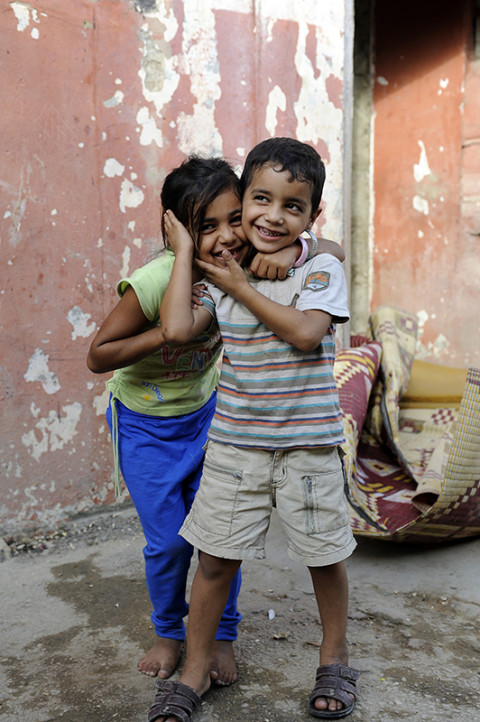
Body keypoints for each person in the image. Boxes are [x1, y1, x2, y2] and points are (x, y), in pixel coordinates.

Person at [86, 154, 344, 686]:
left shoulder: (250, 257)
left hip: (210, 414)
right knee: (169, 542)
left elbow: (330, 253)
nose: (229, 237)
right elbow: (107, 353)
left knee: (221, 541)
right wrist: (183, 262)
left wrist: (304, 249)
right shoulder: (160, 280)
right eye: (206, 227)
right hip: (147, 421)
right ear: (177, 229)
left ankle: (222, 634)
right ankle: (168, 632)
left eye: (235, 219)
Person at [150, 137, 359, 722]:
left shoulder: (319, 267)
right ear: (243, 202)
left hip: (308, 449)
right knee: (214, 560)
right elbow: (174, 329)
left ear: (311, 216)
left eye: (293, 206)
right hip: (236, 448)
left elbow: (305, 333)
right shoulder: (222, 273)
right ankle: (196, 668)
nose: (273, 215)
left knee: (324, 557)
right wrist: (187, 252)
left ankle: (335, 653)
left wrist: (244, 285)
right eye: (260, 200)